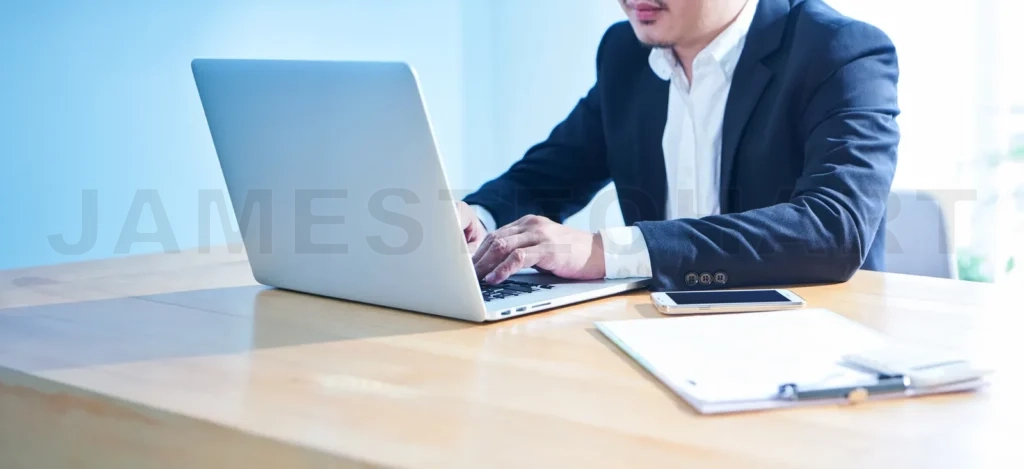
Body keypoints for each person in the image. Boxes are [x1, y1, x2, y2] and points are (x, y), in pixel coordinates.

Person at [458, 0, 900, 291]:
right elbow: (549, 176)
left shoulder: (839, 50)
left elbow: (833, 230)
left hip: (809, 338)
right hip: (657, 333)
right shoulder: (624, 52)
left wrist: (605, 251)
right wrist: (475, 221)